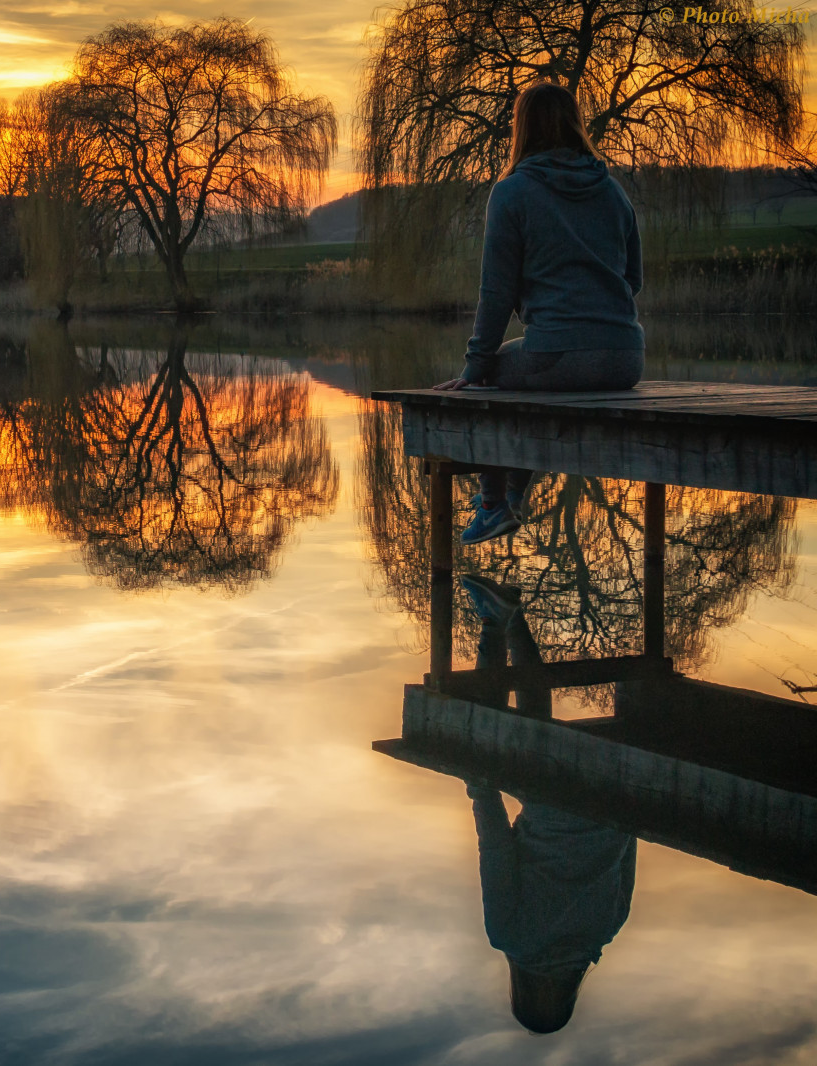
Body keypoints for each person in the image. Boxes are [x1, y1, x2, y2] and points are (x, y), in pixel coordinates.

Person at [434, 82, 646, 546]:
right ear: (575, 124)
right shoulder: (612, 191)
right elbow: (633, 280)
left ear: (522, 129)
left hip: (560, 354)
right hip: (627, 358)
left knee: (492, 374)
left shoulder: (512, 193)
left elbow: (496, 292)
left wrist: (474, 366)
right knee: (521, 364)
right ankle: (509, 496)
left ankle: (494, 506)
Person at [458, 572, 637, 1034]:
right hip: (551, 802)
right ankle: (495, 623)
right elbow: (495, 851)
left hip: (616, 794)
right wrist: (479, 784)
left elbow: (630, 841)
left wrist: (624, 791)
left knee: (533, 744)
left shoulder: (607, 930)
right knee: (493, 736)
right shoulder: (510, 937)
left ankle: (508, 618)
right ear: (519, 989)